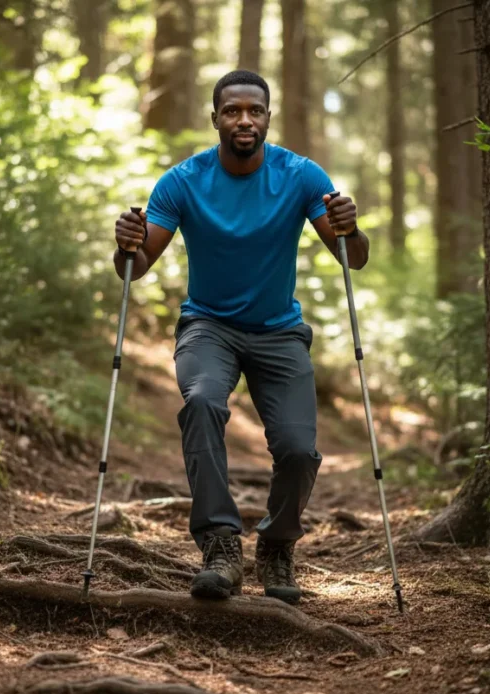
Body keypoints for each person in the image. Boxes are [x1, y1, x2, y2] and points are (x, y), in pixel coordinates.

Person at [113, 70, 368, 604]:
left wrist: (351, 225)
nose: (244, 120)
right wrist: (126, 245)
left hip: (279, 332)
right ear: (216, 120)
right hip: (209, 327)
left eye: (255, 110)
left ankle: (276, 546)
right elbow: (135, 268)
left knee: (299, 450)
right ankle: (221, 545)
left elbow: (353, 258)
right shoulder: (182, 181)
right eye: (233, 111)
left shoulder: (300, 176)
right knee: (203, 401)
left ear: (268, 117)